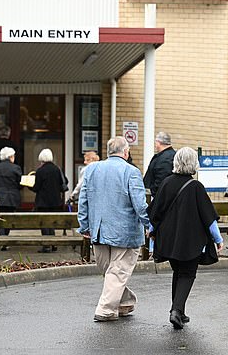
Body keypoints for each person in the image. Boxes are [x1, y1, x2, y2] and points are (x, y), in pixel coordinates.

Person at [148, 146, 224, 330]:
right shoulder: (196, 187)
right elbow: (208, 218)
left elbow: (155, 213)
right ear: (194, 164)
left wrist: (151, 235)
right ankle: (176, 310)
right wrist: (218, 239)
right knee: (188, 273)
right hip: (191, 241)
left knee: (178, 272)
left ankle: (179, 311)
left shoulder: (166, 183)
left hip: (168, 239)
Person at [77, 136, 150, 322]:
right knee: (116, 271)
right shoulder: (131, 172)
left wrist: (84, 225)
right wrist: (150, 225)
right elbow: (140, 205)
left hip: (98, 230)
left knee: (110, 271)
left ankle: (124, 303)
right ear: (126, 152)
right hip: (124, 231)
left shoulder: (92, 169)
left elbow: (83, 200)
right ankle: (106, 310)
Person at [30, 148, 67, 253]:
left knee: (44, 223)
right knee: (52, 222)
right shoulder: (57, 169)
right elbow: (65, 182)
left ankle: (46, 245)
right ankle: (53, 243)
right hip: (55, 201)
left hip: (43, 201)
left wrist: (28, 186)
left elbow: (36, 187)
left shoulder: (40, 171)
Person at [144, 131, 176, 196]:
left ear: (158, 143)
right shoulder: (172, 155)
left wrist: (154, 192)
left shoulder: (164, 158)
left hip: (161, 197)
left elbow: (161, 181)